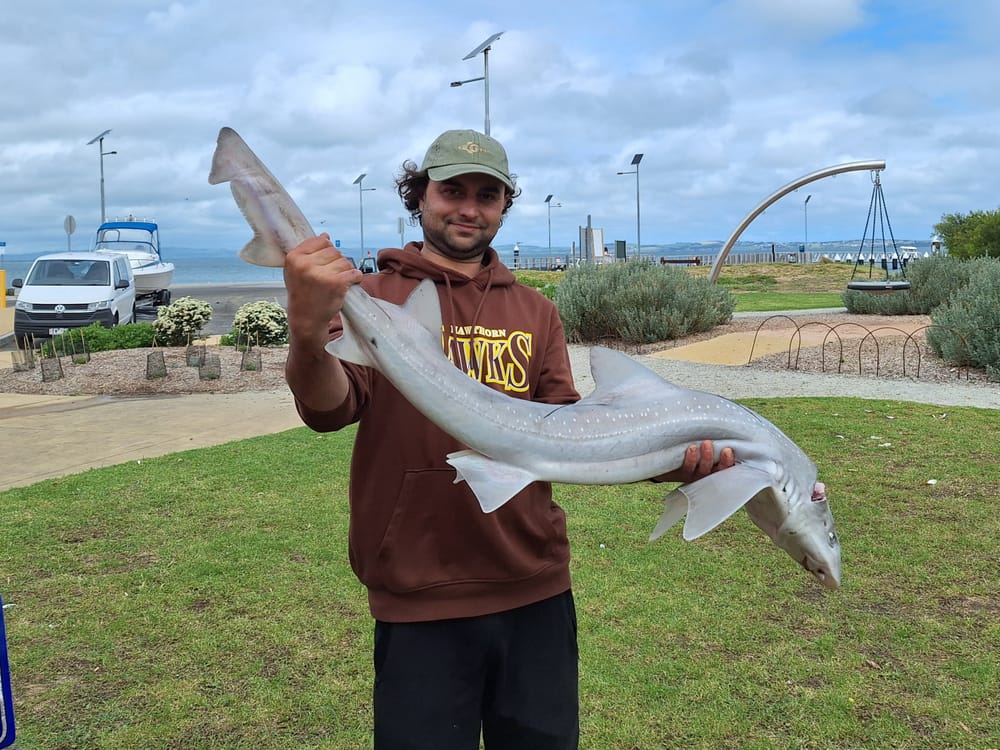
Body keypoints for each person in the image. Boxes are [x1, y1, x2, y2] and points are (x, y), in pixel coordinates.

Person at [282, 129, 734, 749]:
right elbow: (330, 409)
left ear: (503, 206)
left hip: (533, 585)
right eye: (452, 191)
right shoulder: (372, 298)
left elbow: (569, 432)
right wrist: (307, 336)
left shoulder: (535, 311)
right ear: (420, 196)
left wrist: (668, 460)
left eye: (487, 195)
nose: (469, 208)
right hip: (418, 589)